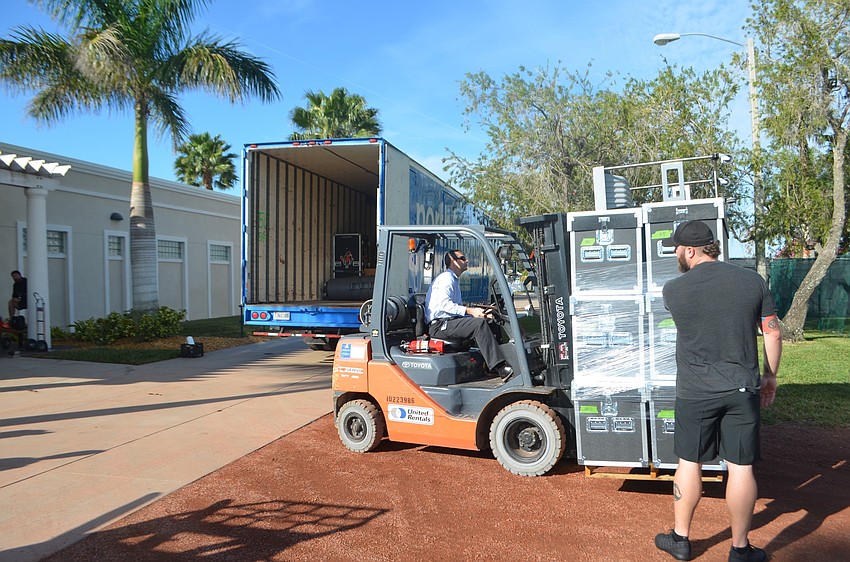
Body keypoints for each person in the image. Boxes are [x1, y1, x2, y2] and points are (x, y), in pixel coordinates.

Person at [654, 221, 782, 562]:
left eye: (677, 249)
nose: (676, 254)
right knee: (741, 468)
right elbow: (772, 333)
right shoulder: (752, 281)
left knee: (689, 463)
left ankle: (680, 540)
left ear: (691, 250)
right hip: (741, 387)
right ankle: (740, 549)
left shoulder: (673, 290)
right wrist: (770, 376)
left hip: (695, 391)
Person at [425, 249, 514, 380]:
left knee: (491, 320)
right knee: (478, 325)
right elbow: (445, 305)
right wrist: (471, 312)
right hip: (440, 326)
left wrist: (479, 313)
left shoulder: (454, 280)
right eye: (462, 258)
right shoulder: (446, 279)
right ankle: (500, 367)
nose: (466, 260)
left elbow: (456, 311)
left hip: (450, 322)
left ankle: (498, 363)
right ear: (454, 262)